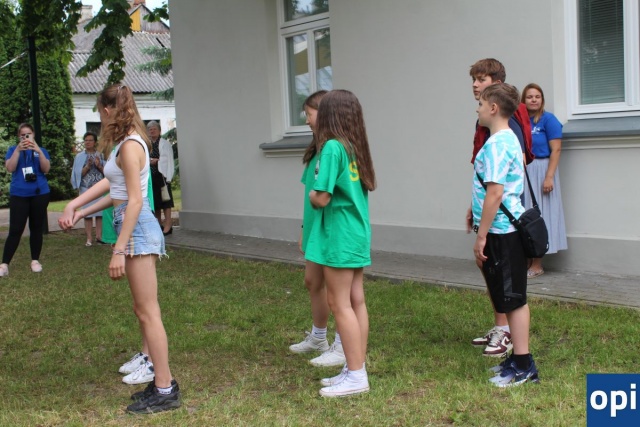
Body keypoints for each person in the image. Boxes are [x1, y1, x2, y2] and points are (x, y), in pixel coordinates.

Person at [59, 84, 180, 414]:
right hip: (133, 224)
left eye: (100, 113)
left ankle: (165, 388)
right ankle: (161, 384)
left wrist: (118, 250)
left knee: (148, 312)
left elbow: (135, 201)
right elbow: (115, 190)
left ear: (107, 110)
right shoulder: (127, 143)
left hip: (136, 227)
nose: (100, 119)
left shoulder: (129, 146)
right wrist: (78, 209)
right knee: (144, 310)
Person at [305, 89, 376, 397]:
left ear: (329, 115)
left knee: (340, 303)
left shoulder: (332, 147)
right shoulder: (353, 145)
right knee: (356, 300)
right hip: (356, 232)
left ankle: (357, 376)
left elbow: (321, 196)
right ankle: (354, 367)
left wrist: (312, 194)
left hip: (339, 234)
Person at [468, 83, 539, 387]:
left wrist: (481, 235)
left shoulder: (498, 143)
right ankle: (517, 359)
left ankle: (524, 366)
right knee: (509, 297)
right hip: (503, 229)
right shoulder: (508, 138)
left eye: (481, 104)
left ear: (493, 108)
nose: (478, 108)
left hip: (502, 231)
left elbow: (495, 192)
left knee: (514, 299)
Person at [290, 90, 346, 369]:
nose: (306, 120)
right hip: (315, 228)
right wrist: (305, 228)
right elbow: (308, 196)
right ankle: (318, 337)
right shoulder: (317, 150)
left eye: (309, 114)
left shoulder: (334, 150)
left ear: (323, 114)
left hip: (331, 230)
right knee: (313, 282)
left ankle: (342, 345)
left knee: (340, 294)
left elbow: (323, 195)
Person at [521, 83, 567, 278]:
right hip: (524, 171)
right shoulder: (520, 121)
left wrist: (549, 177)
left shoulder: (549, 120)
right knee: (524, 215)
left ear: (542, 100)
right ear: (523, 100)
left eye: (537, 96)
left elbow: (556, 149)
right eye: (529, 96)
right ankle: (526, 260)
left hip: (542, 170)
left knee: (541, 215)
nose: (533, 99)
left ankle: (537, 264)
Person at [0, 123, 51, 277]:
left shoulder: (41, 150)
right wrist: (18, 150)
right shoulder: (12, 150)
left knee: (36, 228)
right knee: (15, 229)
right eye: (22, 135)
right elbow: (10, 168)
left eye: (28, 134)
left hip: (39, 193)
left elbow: (46, 169)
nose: (25, 137)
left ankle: (35, 260)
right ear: (18, 137)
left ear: (33, 134)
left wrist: (38, 151)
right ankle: (4, 264)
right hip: (19, 194)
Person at [71, 131, 105, 246]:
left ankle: (99, 236)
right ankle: (89, 238)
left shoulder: (100, 155)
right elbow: (77, 175)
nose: (88, 142)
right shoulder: (79, 157)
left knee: (100, 213)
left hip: (99, 188)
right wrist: (87, 166)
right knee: (87, 214)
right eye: (86, 140)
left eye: (90, 140)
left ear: (95, 142)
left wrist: (99, 165)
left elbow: (106, 172)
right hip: (86, 188)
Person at [147, 121, 175, 236]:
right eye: (150, 129)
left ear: (159, 131)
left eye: (154, 129)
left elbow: (169, 160)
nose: (152, 131)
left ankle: (168, 225)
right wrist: (150, 161)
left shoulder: (165, 144)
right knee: (156, 202)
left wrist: (157, 161)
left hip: (162, 175)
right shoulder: (147, 144)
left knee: (166, 201)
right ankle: (158, 225)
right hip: (151, 176)